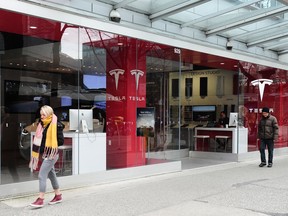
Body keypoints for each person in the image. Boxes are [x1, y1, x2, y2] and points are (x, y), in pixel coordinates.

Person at [29, 105, 65, 208]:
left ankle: (40, 199)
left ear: (49, 114)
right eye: (41, 114)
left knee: (41, 175)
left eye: (44, 114)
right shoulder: (42, 124)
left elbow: (61, 141)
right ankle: (58, 195)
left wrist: (52, 143)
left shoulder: (56, 125)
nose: (42, 116)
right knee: (51, 175)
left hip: (52, 154)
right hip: (45, 154)